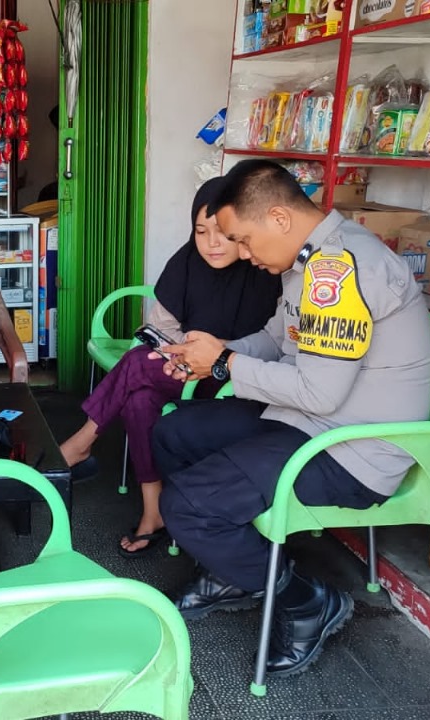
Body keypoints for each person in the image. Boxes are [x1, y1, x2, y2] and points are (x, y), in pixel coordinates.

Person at [153, 159, 430, 677]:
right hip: (305, 422)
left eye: (244, 239)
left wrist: (223, 363)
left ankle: (307, 602)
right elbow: (276, 340)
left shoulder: (339, 270)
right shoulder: (311, 261)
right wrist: (213, 352)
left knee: (189, 504)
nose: (242, 253)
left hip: (351, 448)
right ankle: (233, 569)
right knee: (175, 432)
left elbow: (319, 392)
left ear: (279, 219)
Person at [59, 177, 282, 557]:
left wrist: (217, 351)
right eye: (201, 231)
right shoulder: (185, 262)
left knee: (136, 363)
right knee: (139, 400)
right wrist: (185, 348)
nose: (211, 243)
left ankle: (80, 443)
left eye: (223, 232)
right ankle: (153, 513)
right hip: (182, 370)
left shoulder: (266, 271)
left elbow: (274, 344)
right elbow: (160, 325)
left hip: (235, 378)